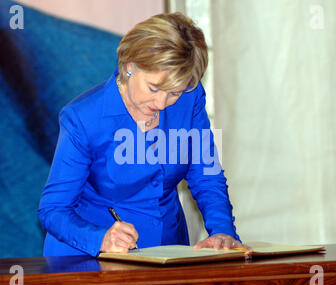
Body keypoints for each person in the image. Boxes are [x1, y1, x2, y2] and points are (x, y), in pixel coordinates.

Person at [38, 12, 249, 257]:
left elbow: (206, 174)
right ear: (130, 67)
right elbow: (52, 209)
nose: (162, 102)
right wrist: (101, 239)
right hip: (90, 257)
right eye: (154, 88)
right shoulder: (83, 118)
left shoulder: (190, 99)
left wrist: (222, 231)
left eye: (175, 92)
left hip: (168, 251)